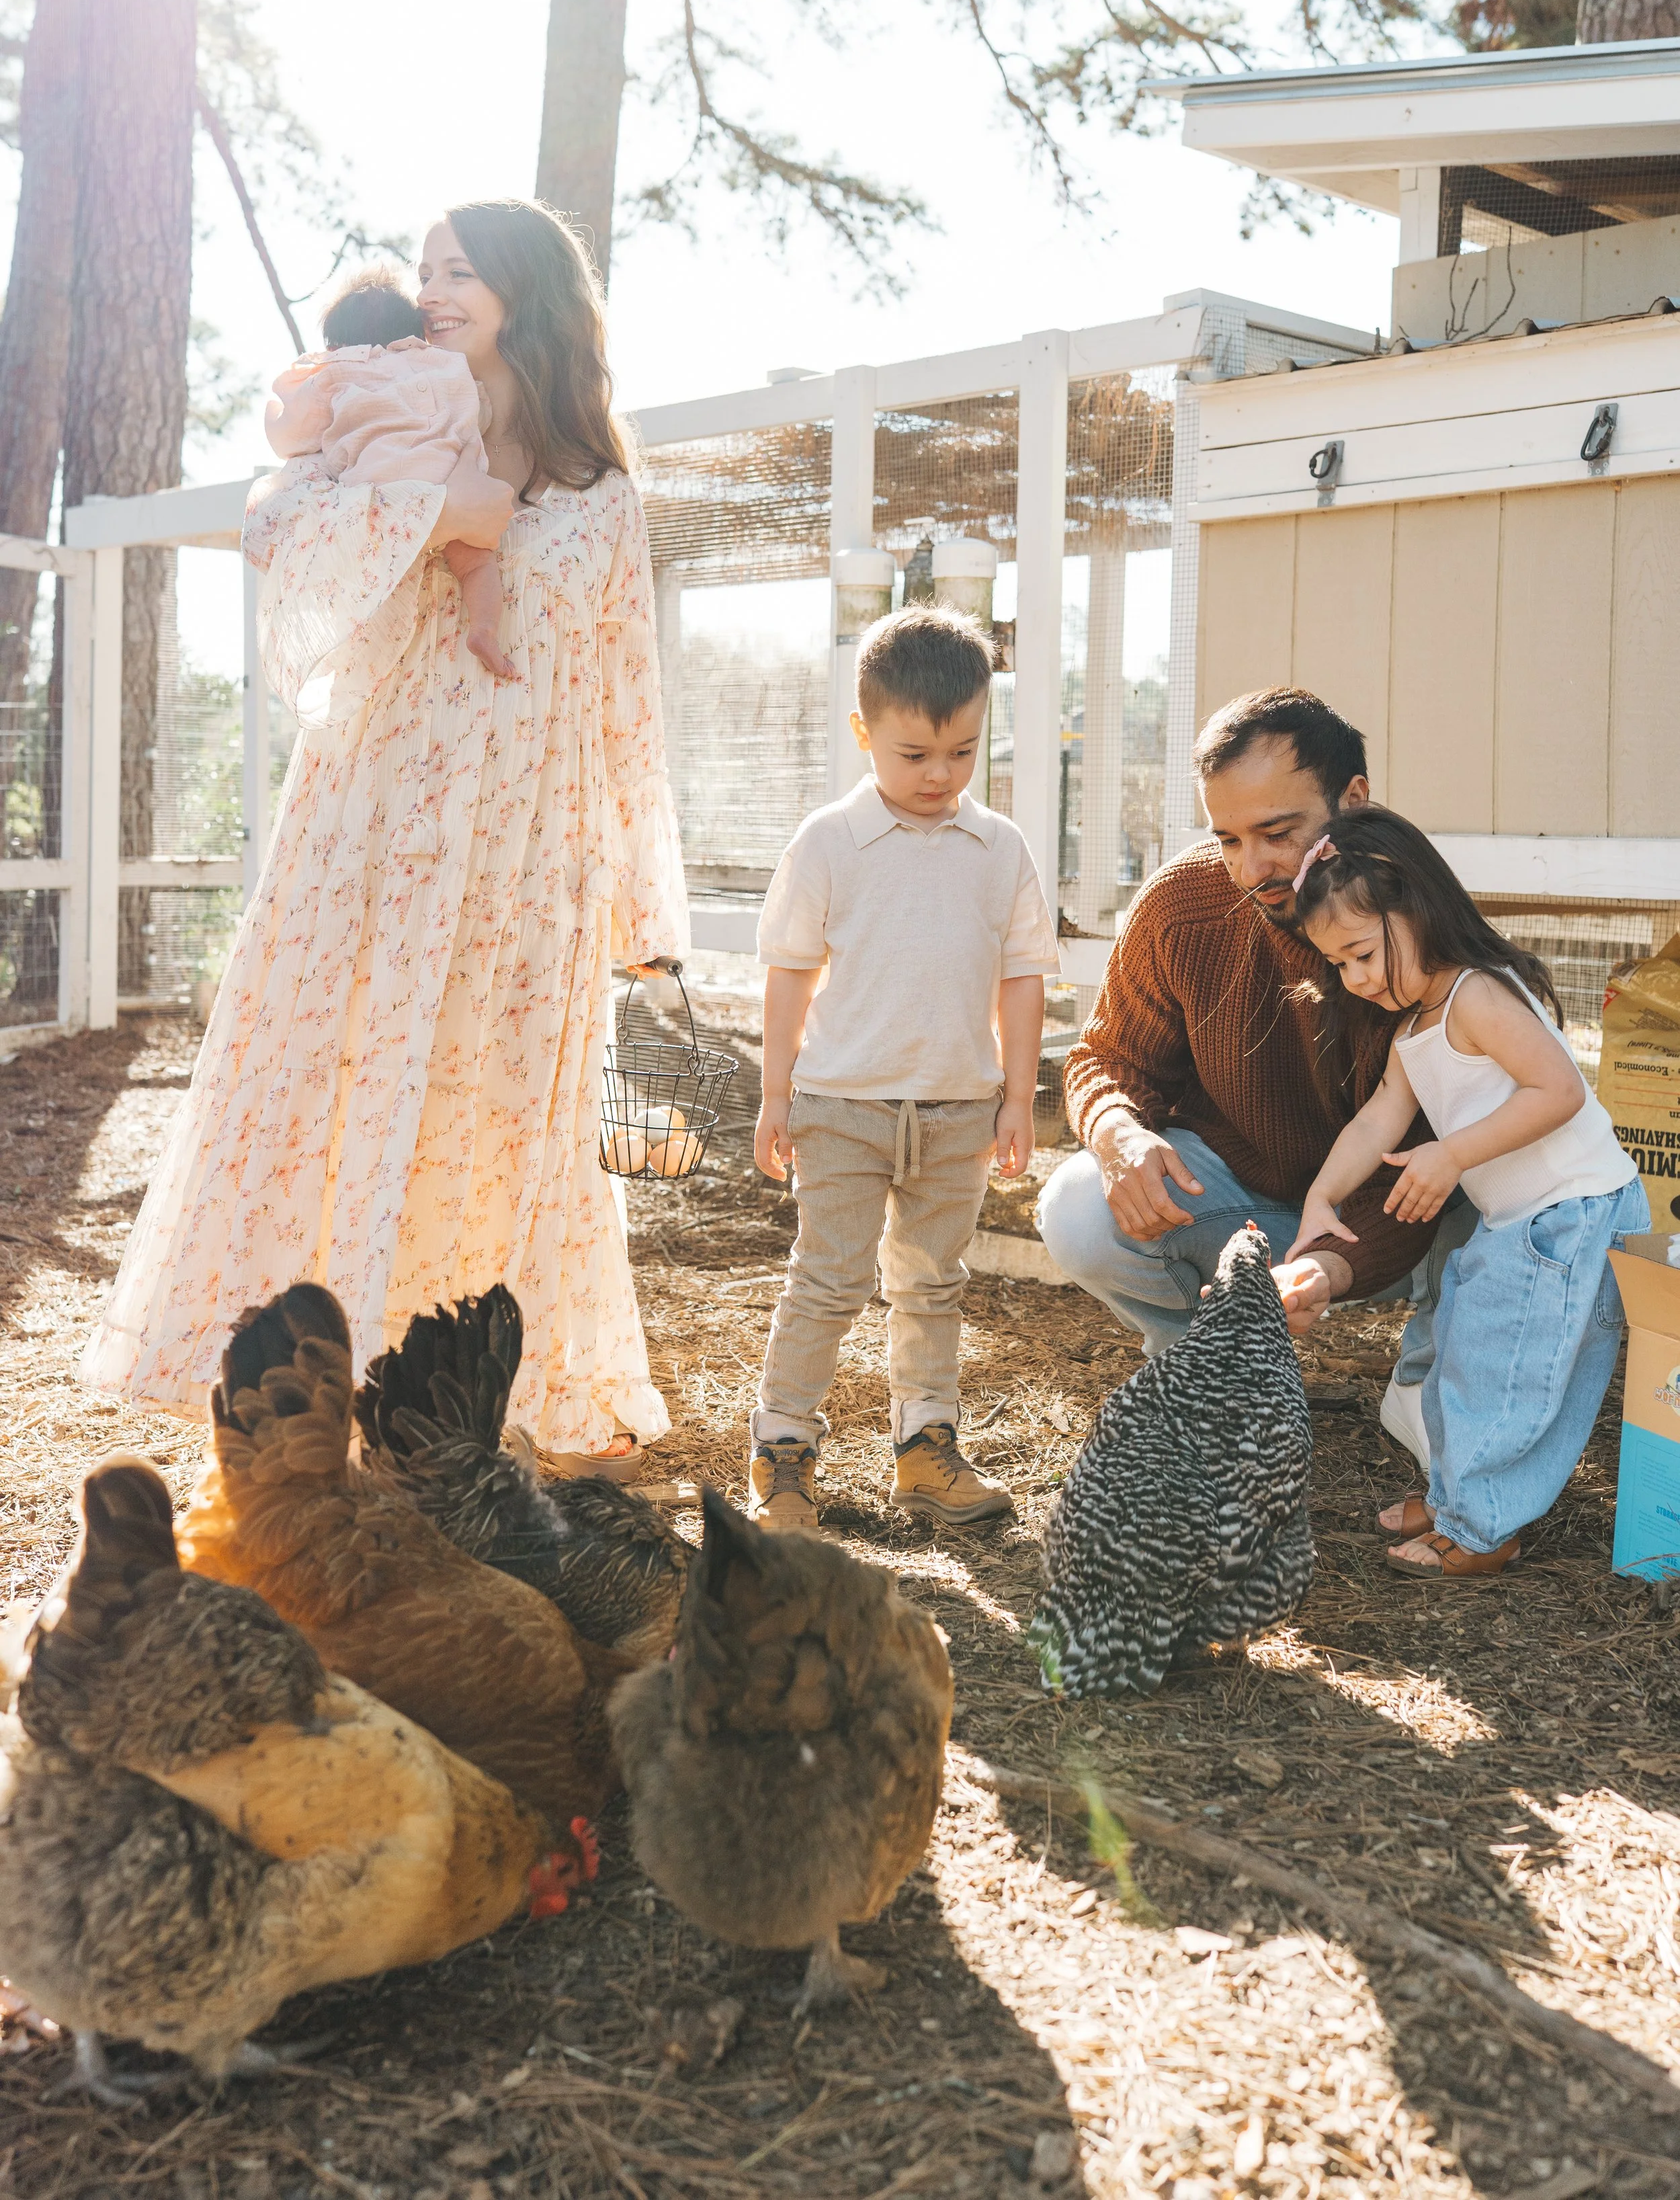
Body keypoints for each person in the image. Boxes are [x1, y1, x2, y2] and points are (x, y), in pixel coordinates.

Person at [82, 199, 687, 1475]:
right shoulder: (378, 440)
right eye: (423, 272)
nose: (432, 292)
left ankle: (456, 1416)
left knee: (496, 1116)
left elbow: (628, 702)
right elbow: (272, 531)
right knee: (342, 1092)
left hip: (529, 857)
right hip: (378, 834)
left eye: (460, 270)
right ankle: (301, 1396)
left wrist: (645, 915)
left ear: (527, 291)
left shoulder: (604, 491)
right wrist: (422, 509)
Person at [1038, 686, 1477, 1455]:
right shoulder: (1183, 901)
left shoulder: (1413, 921)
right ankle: (1215, 1377)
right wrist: (1117, 1138)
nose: (1252, 868)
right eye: (1229, 838)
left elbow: (1419, 1167)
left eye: (1277, 833)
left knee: (1498, 1198)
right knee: (1077, 1207)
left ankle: (1429, 1396)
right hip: (1242, 1201)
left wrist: (1328, 1270)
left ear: (1353, 798)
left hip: (1401, 1216)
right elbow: (1106, 1059)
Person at [749, 602, 1060, 1532]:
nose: (939, 775)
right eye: (914, 754)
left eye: (962, 752)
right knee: (830, 1279)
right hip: (841, 1105)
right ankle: (784, 1445)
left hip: (959, 1110)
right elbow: (790, 974)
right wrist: (774, 1095)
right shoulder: (829, 843)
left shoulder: (999, 849)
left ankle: (925, 1447)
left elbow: (1021, 975)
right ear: (864, 733)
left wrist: (1016, 1096)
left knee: (933, 1282)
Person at [1289, 808, 1646, 1578]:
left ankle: (1484, 1529)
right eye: (1337, 965)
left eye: (1358, 953)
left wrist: (1449, 1155)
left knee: (1509, 1368)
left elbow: (1559, 1092)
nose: (1353, 980)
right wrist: (1323, 1196)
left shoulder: (1476, 996)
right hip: (1527, 1218)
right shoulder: (1416, 1023)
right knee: (1463, 1350)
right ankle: (1457, 1494)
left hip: (1573, 1212)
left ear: (1412, 907)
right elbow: (1378, 1117)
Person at [264, 266, 513, 680]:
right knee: (476, 565)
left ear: (336, 342)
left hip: (384, 496)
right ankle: (484, 629)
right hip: (447, 480)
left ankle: (363, 666)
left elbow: (289, 438)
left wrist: (278, 411)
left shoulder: (334, 373)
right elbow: (477, 410)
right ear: (416, 331)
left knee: (374, 591)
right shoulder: (444, 363)